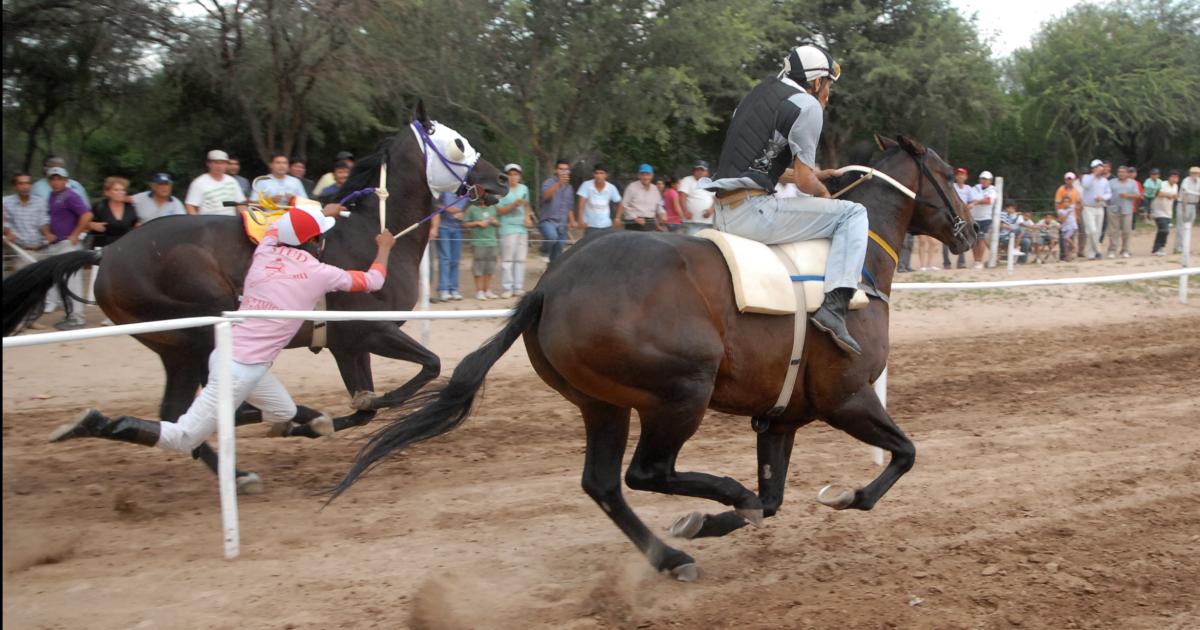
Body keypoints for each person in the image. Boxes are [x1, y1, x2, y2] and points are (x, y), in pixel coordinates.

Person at [49, 201, 395, 452]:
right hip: (238, 370)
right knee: (182, 439)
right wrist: (384, 249)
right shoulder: (319, 272)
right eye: (320, 235)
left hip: (240, 360)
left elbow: (276, 226)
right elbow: (374, 281)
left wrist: (321, 213)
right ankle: (101, 424)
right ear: (315, 242)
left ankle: (224, 413)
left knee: (285, 411)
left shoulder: (267, 249)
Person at [703, 44, 868, 354]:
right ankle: (835, 306)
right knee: (852, 213)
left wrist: (816, 176)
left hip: (722, 211)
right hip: (752, 214)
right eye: (828, 85)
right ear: (817, 81)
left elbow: (760, 167)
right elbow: (805, 183)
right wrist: (824, 194)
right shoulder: (807, 105)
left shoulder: (757, 95)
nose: (827, 94)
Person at [43, 166, 93, 330]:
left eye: (59, 179)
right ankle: (70, 315)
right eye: (53, 179)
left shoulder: (71, 195)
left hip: (68, 244)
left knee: (72, 282)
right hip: (58, 243)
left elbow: (86, 215)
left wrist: (75, 234)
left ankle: (77, 318)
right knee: (62, 282)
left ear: (65, 180)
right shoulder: (52, 196)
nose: (56, 182)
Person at [495, 164, 533, 298]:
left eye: (516, 174)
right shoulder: (501, 190)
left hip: (521, 228)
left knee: (521, 259)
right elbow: (498, 211)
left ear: (520, 176)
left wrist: (528, 217)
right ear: (506, 176)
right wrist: (513, 205)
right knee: (507, 259)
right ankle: (507, 287)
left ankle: (518, 287)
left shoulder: (524, 189)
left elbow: (527, 205)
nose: (513, 177)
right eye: (510, 174)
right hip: (507, 228)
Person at [3, 172, 52, 267]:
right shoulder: (6, 202)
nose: (25, 186)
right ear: (15, 186)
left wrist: (47, 234)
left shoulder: (40, 202)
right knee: (24, 280)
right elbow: (5, 222)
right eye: (21, 184)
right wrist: (7, 233)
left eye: (28, 183)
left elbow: (43, 221)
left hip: (43, 250)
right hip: (23, 252)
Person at [185, 150, 247, 216]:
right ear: (208, 164)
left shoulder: (232, 181)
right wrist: (197, 223)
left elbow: (241, 204)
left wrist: (245, 219)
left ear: (226, 164)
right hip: (208, 223)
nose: (219, 166)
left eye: (222, 163)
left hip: (230, 222)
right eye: (216, 163)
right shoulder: (198, 183)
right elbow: (190, 206)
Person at [538, 158, 575, 262]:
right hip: (548, 221)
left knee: (557, 255)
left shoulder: (569, 187)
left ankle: (551, 273)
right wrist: (559, 184)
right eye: (561, 169)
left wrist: (572, 220)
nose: (563, 172)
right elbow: (545, 196)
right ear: (556, 170)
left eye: (566, 169)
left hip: (562, 224)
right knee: (551, 236)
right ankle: (543, 251)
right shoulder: (548, 182)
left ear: (569, 171)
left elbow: (570, 206)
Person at [431, 190, 465, 300]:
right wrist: (448, 208)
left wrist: (463, 215)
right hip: (443, 228)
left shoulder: (467, 195)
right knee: (445, 258)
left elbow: (467, 210)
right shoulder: (445, 192)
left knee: (455, 260)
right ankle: (443, 289)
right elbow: (435, 205)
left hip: (458, 228)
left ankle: (453, 289)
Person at [88, 177, 139, 249]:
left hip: (124, 247)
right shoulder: (98, 206)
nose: (121, 192)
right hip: (102, 247)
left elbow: (135, 225)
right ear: (107, 192)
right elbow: (83, 223)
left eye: (123, 190)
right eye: (116, 190)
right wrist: (92, 225)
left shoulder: (130, 208)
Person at [463, 199, 500, 299]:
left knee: (490, 267)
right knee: (478, 266)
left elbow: (498, 223)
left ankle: (487, 290)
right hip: (478, 242)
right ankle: (479, 291)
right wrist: (476, 223)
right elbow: (465, 223)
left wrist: (494, 222)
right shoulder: (472, 209)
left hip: (492, 241)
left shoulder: (493, 208)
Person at [576, 164, 621, 237]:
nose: (598, 175)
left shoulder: (611, 188)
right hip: (591, 225)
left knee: (606, 246)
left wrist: (617, 217)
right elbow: (581, 204)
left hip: (606, 225)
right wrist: (581, 219)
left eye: (601, 173)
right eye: (596, 173)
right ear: (593, 174)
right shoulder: (586, 185)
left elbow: (620, 203)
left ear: (606, 175)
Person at [948, 167, 981, 269]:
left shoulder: (968, 189)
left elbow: (975, 200)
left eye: (962, 174)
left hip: (962, 215)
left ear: (965, 177)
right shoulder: (952, 186)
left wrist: (971, 205)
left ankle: (961, 262)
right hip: (951, 214)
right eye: (958, 174)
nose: (960, 176)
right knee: (947, 235)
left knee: (962, 237)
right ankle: (947, 262)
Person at [1079, 159, 1112, 259]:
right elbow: (1085, 185)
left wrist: (1103, 198)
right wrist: (1094, 175)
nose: (1099, 170)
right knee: (1092, 230)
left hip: (1099, 208)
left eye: (1100, 168)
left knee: (1097, 232)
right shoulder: (1086, 177)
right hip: (1088, 208)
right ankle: (1098, 251)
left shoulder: (1104, 180)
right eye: (1097, 168)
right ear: (1093, 169)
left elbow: (1109, 193)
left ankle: (1091, 254)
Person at [1106, 166, 1139, 258]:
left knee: (1126, 231)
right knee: (1113, 231)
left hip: (1127, 209)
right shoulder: (1111, 182)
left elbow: (1137, 195)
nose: (1121, 173)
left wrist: (1127, 195)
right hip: (1113, 209)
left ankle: (1125, 250)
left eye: (1123, 172)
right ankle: (1112, 250)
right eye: (1119, 172)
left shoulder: (1133, 183)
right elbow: (1106, 193)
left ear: (1127, 173)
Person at [621, 164, 665, 231]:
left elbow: (659, 206)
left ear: (652, 176)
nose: (645, 177)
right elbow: (624, 205)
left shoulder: (655, 189)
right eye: (643, 174)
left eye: (648, 174)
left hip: (650, 223)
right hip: (634, 223)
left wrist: (662, 214)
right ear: (639, 175)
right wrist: (634, 217)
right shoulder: (632, 187)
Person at [678, 160, 715, 236]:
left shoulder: (710, 182)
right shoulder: (687, 180)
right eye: (697, 169)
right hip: (691, 221)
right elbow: (682, 196)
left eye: (702, 170)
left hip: (708, 222)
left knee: (706, 245)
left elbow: (716, 198)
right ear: (693, 171)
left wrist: (711, 210)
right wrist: (685, 211)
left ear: (707, 172)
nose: (699, 172)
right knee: (691, 244)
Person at [970, 171, 997, 269]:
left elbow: (988, 200)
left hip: (985, 218)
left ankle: (979, 261)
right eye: (982, 179)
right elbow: (970, 199)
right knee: (973, 240)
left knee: (980, 239)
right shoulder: (974, 188)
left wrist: (975, 202)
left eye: (986, 179)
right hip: (973, 217)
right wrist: (980, 201)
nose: (984, 181)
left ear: (990, 181)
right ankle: (976, 260)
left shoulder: (993, 190)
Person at [1054, 172, 1081, 260]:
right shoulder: (1061, 189)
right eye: (1067, 179)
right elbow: (1057, 202)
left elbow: (1078, 203)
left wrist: (1077, 215)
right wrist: (1059, 214)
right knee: (1062, 236)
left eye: (1070, 179)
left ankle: (1069, 254)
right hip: (1062, 213)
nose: (1068, 181)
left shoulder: (1075, 190)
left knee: (1070, 236)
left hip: (1071, 216)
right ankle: (1063, 254)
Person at [1177, 166, 1200, 254]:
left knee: (1189, 227)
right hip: (1183, 204)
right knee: (1181, 226)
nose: (1194, 175)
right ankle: (1178, 247)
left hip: (1193, 205)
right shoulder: (1186, 180)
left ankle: (1185, 246)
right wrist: (1198, 194)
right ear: (1190, 173)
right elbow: (1185, 191)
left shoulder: (1199, 181)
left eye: (1196, 173)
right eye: (1193, 173)